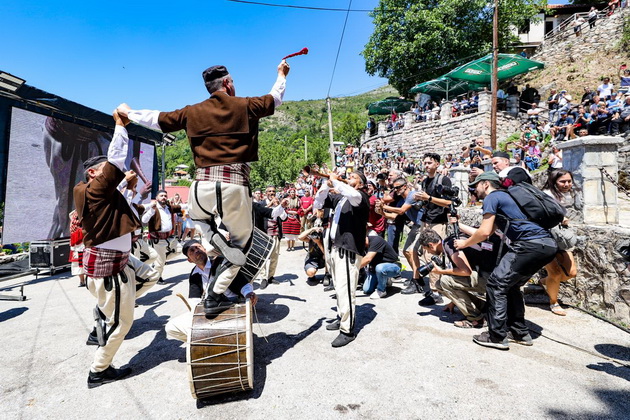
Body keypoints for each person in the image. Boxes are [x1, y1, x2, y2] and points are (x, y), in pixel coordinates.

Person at [117, 60, 290, 315]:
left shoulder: (192, 111)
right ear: (227, 84)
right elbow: (275, 98)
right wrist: (281, 74)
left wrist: (128, 112)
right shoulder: (245, 104)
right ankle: (215, 294)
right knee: (241, 248)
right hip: (232, 185)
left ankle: (214, 238)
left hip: (200, 187)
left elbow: (156, 119)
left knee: (201, 220)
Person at [74, 110, 160, 388]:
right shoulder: (92, 191)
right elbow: (116, 161)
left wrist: (131, 189)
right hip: (110, 267)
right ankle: (99, 369)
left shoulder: (100, 196)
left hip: (120, 260)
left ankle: (106, 310)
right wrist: (120, 127)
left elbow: (124, 211)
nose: (115, 175)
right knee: (123, 324)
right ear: (92, 173)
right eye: (104, 172)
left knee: (151, 274)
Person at [454, 172, 557, 350]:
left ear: (486, 184)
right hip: (546, 245)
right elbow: (488, 232)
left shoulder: (493, 197)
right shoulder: (506, 197)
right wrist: (458, 225)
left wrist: (464, 243)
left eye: (476, 185)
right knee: (510, 285)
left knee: (495, 285)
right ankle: (519, 332)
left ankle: (497, 336)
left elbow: (484, 232)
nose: (474, 189)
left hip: (528, 245)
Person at [313, 171, 369, 348]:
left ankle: (347, 330)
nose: (349, 178)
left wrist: (336, 181)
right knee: (338, 287)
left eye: (353, 177)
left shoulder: (360, 196)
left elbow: (351, 193)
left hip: (348, 249)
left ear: (360, 183)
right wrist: (326, 183)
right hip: (336, 247)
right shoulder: (340, 199)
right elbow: (319, 201)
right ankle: (341, 316)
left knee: (346, 290)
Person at [165, 240, 258, 342]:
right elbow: (194, 299)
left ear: (204, 249)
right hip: (210, 308)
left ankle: (209, 339)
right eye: (192, 250)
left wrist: (248, 293)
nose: (196, 250)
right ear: (189, 260)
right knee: (170, 327)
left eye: (198, 247)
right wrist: (197, 314)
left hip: (232, 304)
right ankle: (202, 343)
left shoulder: (220, 262)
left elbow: (242, 282)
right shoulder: (194, 274)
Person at [417, 228, 500, 329]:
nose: (429, 253)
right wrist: (454, 302)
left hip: (489, 278)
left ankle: (476, 319)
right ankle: (483, 307)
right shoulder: (449, 242)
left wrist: (441, 271)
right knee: (440, 284)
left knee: (445, 281)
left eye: (427, 250)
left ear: (430, 245)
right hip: (487, 275)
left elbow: (466, 271)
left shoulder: (450, 246)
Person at [412, 153, 453, 304]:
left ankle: (436, 292)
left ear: (437, 164)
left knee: (433, 256)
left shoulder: (443, 180)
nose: (426, 165)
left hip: (438, 221)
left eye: (430, 163)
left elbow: (448, 202)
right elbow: (426, 201)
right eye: (425, 163)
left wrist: (428, 198)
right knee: (419, 252)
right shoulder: (425, 181)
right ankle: (430, 286)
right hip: (426, 220)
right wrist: (420, 199)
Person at [541, 170, 580, 316]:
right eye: (562, 182)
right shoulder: (546, 195)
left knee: (571, 272)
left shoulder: (569, 195)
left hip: (562, 236)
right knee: (556, 273)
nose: (567, 184)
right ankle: (553, 302)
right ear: (553, 181)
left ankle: (545, 281)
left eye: (569, 181)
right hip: (545, 236)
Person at [379, 177, 423, 295]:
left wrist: (384, 207)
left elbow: (401, 211)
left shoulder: (412, 195)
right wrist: (382, 213)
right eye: (394, 188)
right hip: (416, 226)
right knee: (406, 251)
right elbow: (394, 216)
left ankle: (416, 279)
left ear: (405, 186)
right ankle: (417, 277)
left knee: (411, 251)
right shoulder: (401, 201)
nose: (396, 190)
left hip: (423, 225)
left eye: (398, 187)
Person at [142, 190, 182, 284]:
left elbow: (182, 207)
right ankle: (157, 278)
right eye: (161, 195)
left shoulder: (169, 207)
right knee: (160, 264)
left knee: (179, 250)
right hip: (158, 239)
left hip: (169, 238)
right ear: (157, 198)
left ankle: (159, 259)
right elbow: (144, 220)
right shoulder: (153, 208)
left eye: (165, 195)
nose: (164, 197)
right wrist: (151, 211)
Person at [256, 186, 288, 289]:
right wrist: (270, 205)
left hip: (275, 234)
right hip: (264, 234)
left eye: (273, 191)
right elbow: (259, 214)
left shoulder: (278, 205)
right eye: (269, 191)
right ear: (266, 193)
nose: (271, 193)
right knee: (263, 257)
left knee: (274, 257)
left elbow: (284, 218)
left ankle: (270, 276)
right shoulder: (261, 204)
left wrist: (279, 206)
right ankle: (263, 278)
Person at [360, 233, 401, 299]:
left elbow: (368, 259)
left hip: (393, 266)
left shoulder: (376, 240)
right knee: (367, 289)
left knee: (380, 268)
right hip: (375, 269)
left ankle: (381, 290)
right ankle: (384, 280)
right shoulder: (362, 247)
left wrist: (354, 269)